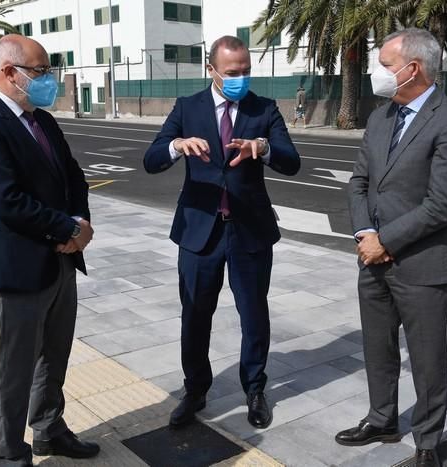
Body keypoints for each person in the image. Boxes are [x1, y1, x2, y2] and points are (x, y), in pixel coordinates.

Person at [0, 35, 99, 467]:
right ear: (8, 73)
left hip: (62, 260)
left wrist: (78, 227)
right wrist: (66, 226)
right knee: (17, 367)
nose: (48, 79)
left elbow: (73, 177)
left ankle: (49, 430)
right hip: (18, 268)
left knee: (55, 355)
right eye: (39, 71)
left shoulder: (42, 120)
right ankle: (11, 451)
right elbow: (6, 199)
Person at [335, 28, 447, 467]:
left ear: (412, 69)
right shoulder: (380, 118)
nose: (378, 73)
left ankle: (428, 441)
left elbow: (443, 203)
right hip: (371, 256)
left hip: (423, 263)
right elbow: (359, 181)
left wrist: (386, 241)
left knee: (428, 357)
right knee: (378, 346)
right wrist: (364, 235)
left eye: (385, 65)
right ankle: (382, 419)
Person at [144, 35, 300, 430]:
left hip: (249, 231)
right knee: (195, 315)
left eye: (246, 72)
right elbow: (151, 160)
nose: (241, 79)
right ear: (211, 70)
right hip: (199, 232)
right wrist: (177, 145)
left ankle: (255, 389)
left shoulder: (263, 109)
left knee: (254, 314)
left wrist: (262, 147)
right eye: (232, 73)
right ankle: (195, 389)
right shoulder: (187, 108)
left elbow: (292, 162)